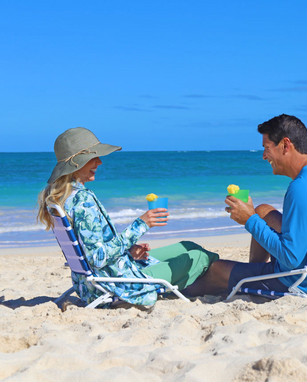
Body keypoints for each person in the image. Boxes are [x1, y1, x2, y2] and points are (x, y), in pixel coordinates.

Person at [37, 127, 219, 308]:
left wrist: (128, 252)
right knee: (200, 257)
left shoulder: (62, 199)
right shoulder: (82, 201)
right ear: (77, 163)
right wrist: (141, 224)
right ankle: (232, 283)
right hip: (119, 283)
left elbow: (91, 254)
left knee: (188, 246)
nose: (99, 162)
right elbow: (97, 258)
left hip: (103, 277)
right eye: (93, 158)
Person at [185, 114, 307, 298]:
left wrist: (249, 221)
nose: (264, 156)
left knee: (216, 270)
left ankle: (177, 291)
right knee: (263, 211)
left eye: (267, 148)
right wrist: (256, 216)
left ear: (285, 145)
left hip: (306, 281)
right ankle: (253, 273)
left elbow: (291, 259)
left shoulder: (301, 187)